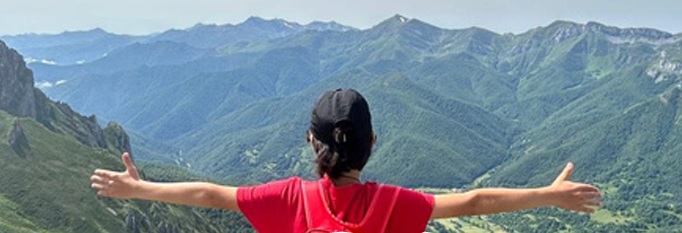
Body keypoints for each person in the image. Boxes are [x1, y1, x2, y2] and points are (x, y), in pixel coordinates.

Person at [91, 88, 602, 232]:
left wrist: (140, 188)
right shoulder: (393, 206)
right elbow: (473, 201)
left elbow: (208, 194)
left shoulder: (289, 200)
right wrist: (549, 195)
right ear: (373, 142)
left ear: (312, 145)